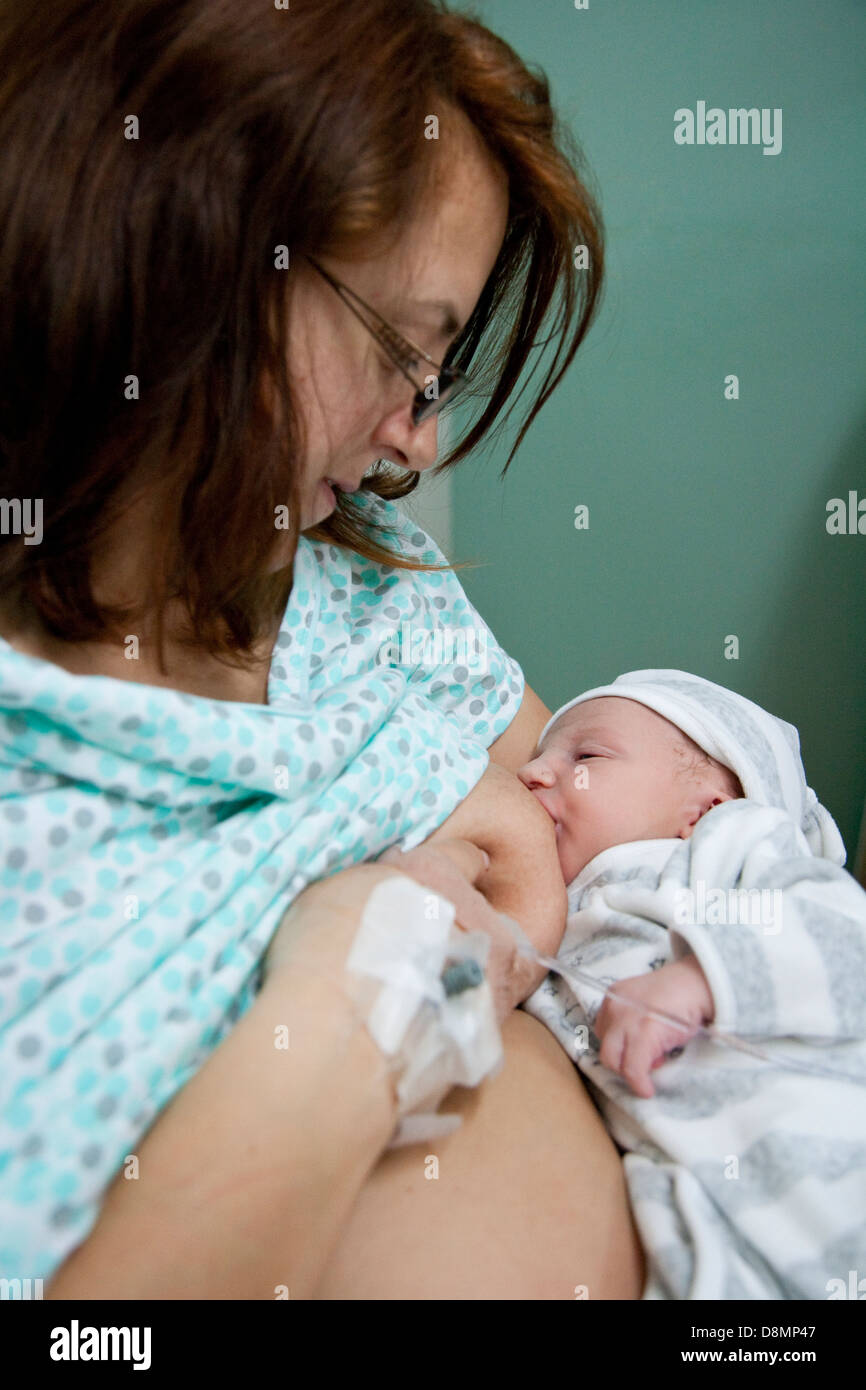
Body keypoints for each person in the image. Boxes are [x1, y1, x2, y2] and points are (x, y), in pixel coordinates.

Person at [0, 0, 647, 1298]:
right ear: (190, 258)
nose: (414, 441)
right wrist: (361, 1000)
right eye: (408, 354)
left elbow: (623, 832)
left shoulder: (373, 583)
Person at [517, 668, 866, 1299]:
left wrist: (705, 976)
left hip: (819, 1127)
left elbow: (845, 933)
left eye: (586, 756)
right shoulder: (550, 911)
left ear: (706, 806)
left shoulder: (729, 847)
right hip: (687, 1182)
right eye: (539, 758)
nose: (534, 773)